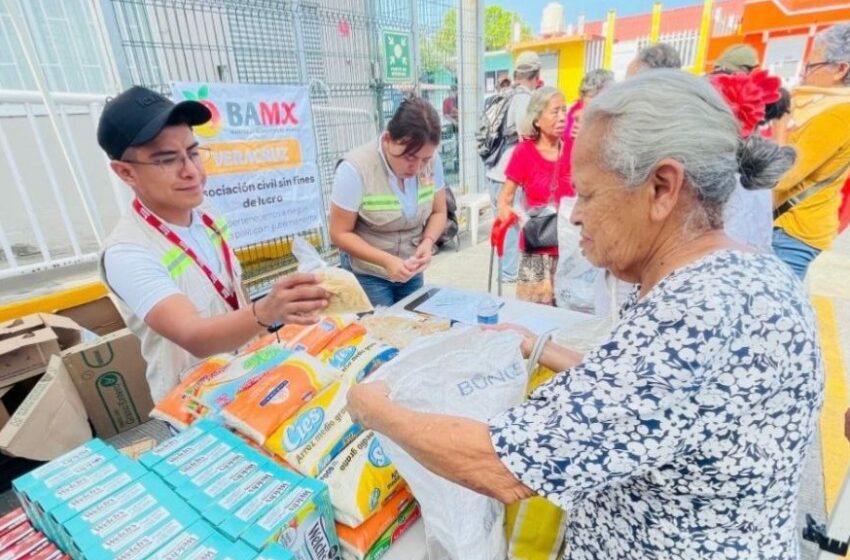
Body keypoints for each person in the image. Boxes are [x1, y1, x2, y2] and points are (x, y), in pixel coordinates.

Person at [348, 70, 821, 558]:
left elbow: (501, 467)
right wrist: (541, 348)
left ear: (661, 188)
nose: (574, 215)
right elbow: (653, 403)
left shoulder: (696, 317)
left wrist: (376, 410)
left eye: (590, 194)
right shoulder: (745, 276)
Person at [97, 86, 328, 402]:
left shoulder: (205, 213)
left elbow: (231, 292)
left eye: (193, 153)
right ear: (125, 172)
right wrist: (268, 309)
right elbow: (193, 335)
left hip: (248, 376)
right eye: (167, 160)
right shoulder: (127, 252)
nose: (191, 171)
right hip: (195, 404)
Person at [329, 97, 447, 307]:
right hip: (368, 274)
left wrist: (428, 242)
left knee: (413, 326)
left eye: (425, 159)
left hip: (412, 269)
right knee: (379, 332)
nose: (417, 167)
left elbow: (439, 212)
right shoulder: (355, 169)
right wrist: (386, 261)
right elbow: (340, 233)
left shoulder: (432, 160)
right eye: (410, 157)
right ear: (387, 140)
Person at [773, 22, 850, 279]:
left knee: (774, 306)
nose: (804, 73)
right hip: (786, 222)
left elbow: (783, 175)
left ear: (840, 69)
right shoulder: (815, 103)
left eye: (812, 65)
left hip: (792, 229)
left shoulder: (838, 114)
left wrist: (780, 124)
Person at [497, 86, 572, 304]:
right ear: (537, 120)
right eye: (555, 111)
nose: (562, 117)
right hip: (536, 250)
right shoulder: (524, 152)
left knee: (569, 312)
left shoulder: (574, 150)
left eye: (564, 111)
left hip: (568, 250)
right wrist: (511, 216)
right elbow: (505, 199)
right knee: (533, 312)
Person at [485, 50, 542, 283]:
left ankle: (505, 271)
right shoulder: (523, 99)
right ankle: (507, 274)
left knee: (505, 223)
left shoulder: (504, 95)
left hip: (494, 170)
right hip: (509, 174)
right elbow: (526, 137)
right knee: (511, 223)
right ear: (536, 74)